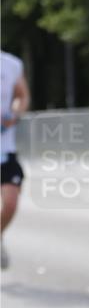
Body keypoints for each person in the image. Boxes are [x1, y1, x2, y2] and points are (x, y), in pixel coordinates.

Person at [1, 50, 30, 269]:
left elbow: (22, 95)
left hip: (5, 149)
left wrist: (15, 113)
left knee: (10, 203)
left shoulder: (11, 63)